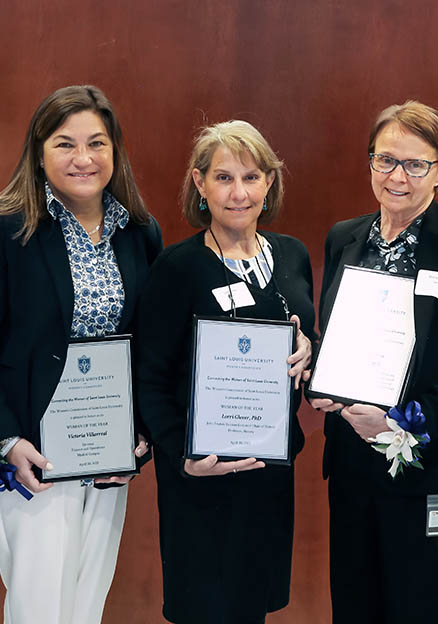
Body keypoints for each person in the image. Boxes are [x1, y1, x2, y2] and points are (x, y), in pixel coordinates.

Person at [0, 85, 161, 624]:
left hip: (105, 453)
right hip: (30, 453)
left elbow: (149, 345)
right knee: (40, 608)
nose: (83, 158)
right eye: (65, 144)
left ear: (115, 149)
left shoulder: (138, 232)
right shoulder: (4, 226)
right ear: (38, 151)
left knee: (86, 604)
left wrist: (139, 434)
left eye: (97, 143)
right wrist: (8, 437)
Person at [309, 101, 438, 623]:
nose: (398, 176)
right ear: (370, 162)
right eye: (386, 159)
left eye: (416, 164)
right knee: (354, 609)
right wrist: (318, 382)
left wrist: (400, 423)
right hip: (351, 465)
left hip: (431, 470)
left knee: (422, 611)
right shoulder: (345, 237)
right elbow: (332, 343)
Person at [135, 120, 313, 624]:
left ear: (270, 183)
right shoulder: (176, 268)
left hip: (269, 476)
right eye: (223, 178)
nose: (239, 193)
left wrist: (308, 350)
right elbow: (150, 378)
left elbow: (307, 343)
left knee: (253, 607)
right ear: (199, 184)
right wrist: (182, 454)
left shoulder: (292, 256)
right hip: (201, 479)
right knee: (204, 608)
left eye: (252, 177)